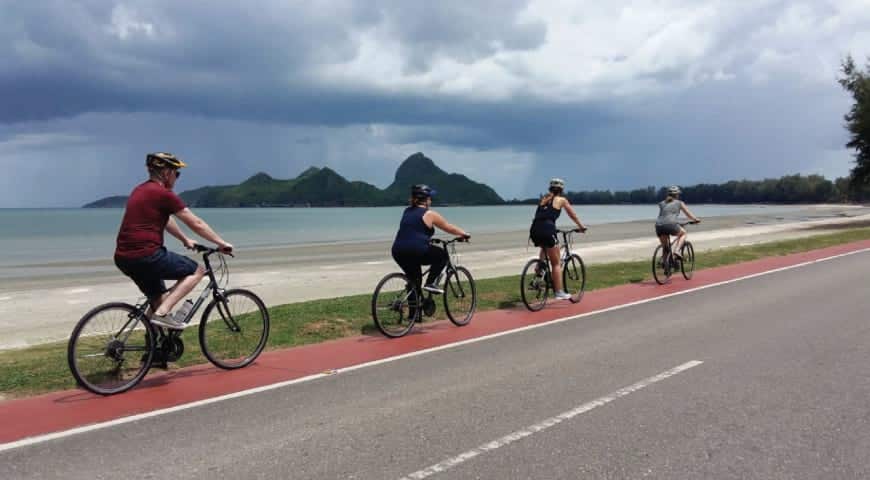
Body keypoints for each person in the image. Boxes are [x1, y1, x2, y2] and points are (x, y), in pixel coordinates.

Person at [114, 152, 233, 329]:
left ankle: (152, 351)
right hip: (147, 255)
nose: (177, 178)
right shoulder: (163, 194)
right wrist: (221, 243)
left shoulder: (140, 190)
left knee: (159, 299)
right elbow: (196, 223)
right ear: (167, 173)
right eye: (176, 174)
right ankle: (162, 315)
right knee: (196, 271)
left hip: (124, 258)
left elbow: (166, 219)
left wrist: (185, 239)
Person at [391, 184, 469, 295]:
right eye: (430, 198)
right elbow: (448, 227)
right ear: (426, 200)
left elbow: (413, 231)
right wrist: (464, 234)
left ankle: (414, 311)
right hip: (416, 250)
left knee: (414, 281)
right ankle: (430, 283)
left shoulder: (407, 211)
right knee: (442, 256)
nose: (431, 201)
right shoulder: (429, 214)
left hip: (398, 251)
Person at [529, 178, 588, 300]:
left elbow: (542, 216)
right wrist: (581, 227)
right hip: (547, 229)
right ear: (561, 189)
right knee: (556, 263)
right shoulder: (562, 200)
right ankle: (559, 292)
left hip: (535, 229)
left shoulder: (544, 199)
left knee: (545, 247)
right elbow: (572, 215)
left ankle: (538, 275)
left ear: (550, 188)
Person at [655, 185, 700, 258]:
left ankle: (664, 262)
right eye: (678, 194)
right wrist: (696, 219)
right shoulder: (679, 203)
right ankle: (677, 250)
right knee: (683, 233)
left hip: (659, 225)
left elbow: (666, 215)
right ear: (676, 195)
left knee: (666, 247)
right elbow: (688, 214)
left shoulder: (662, 203)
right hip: (671, 224)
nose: (678, 195)